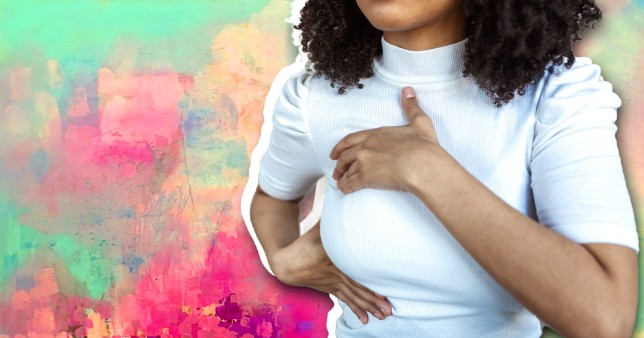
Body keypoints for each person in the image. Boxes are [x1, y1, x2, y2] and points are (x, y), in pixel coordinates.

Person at [247, 0, 640, 337]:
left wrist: (426, 169)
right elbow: (271, 197)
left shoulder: (556, 96)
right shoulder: (314, 97)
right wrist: (280, 258)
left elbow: (605, 319)